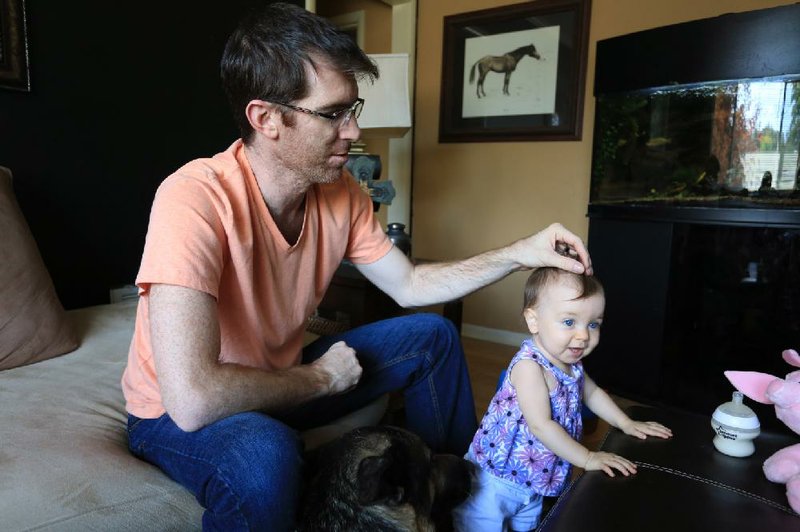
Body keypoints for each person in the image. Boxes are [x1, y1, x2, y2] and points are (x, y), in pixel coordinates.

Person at [120, 3, 595, 531]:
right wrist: (320, 377)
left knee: (432, 337)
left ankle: (469, 504)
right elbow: (193, 400)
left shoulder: (340, 192)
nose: (354, 130)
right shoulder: (194, 199)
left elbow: (410, 284)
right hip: (173, 416)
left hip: (275, 375)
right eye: (333, 114)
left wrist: (518, 253)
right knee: (266, 457)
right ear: (267, 118)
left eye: (355, 107)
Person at [454, 268, 672, 532]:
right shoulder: (530, 368)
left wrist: (626, 423)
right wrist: (588, 458)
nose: (583, 335)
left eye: (593, 324)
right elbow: (541, 425)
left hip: (537, 477)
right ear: (533, 321)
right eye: (569, 322)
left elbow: (592, 393)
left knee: (527, 525)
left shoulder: (573, 365)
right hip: (496, 480)